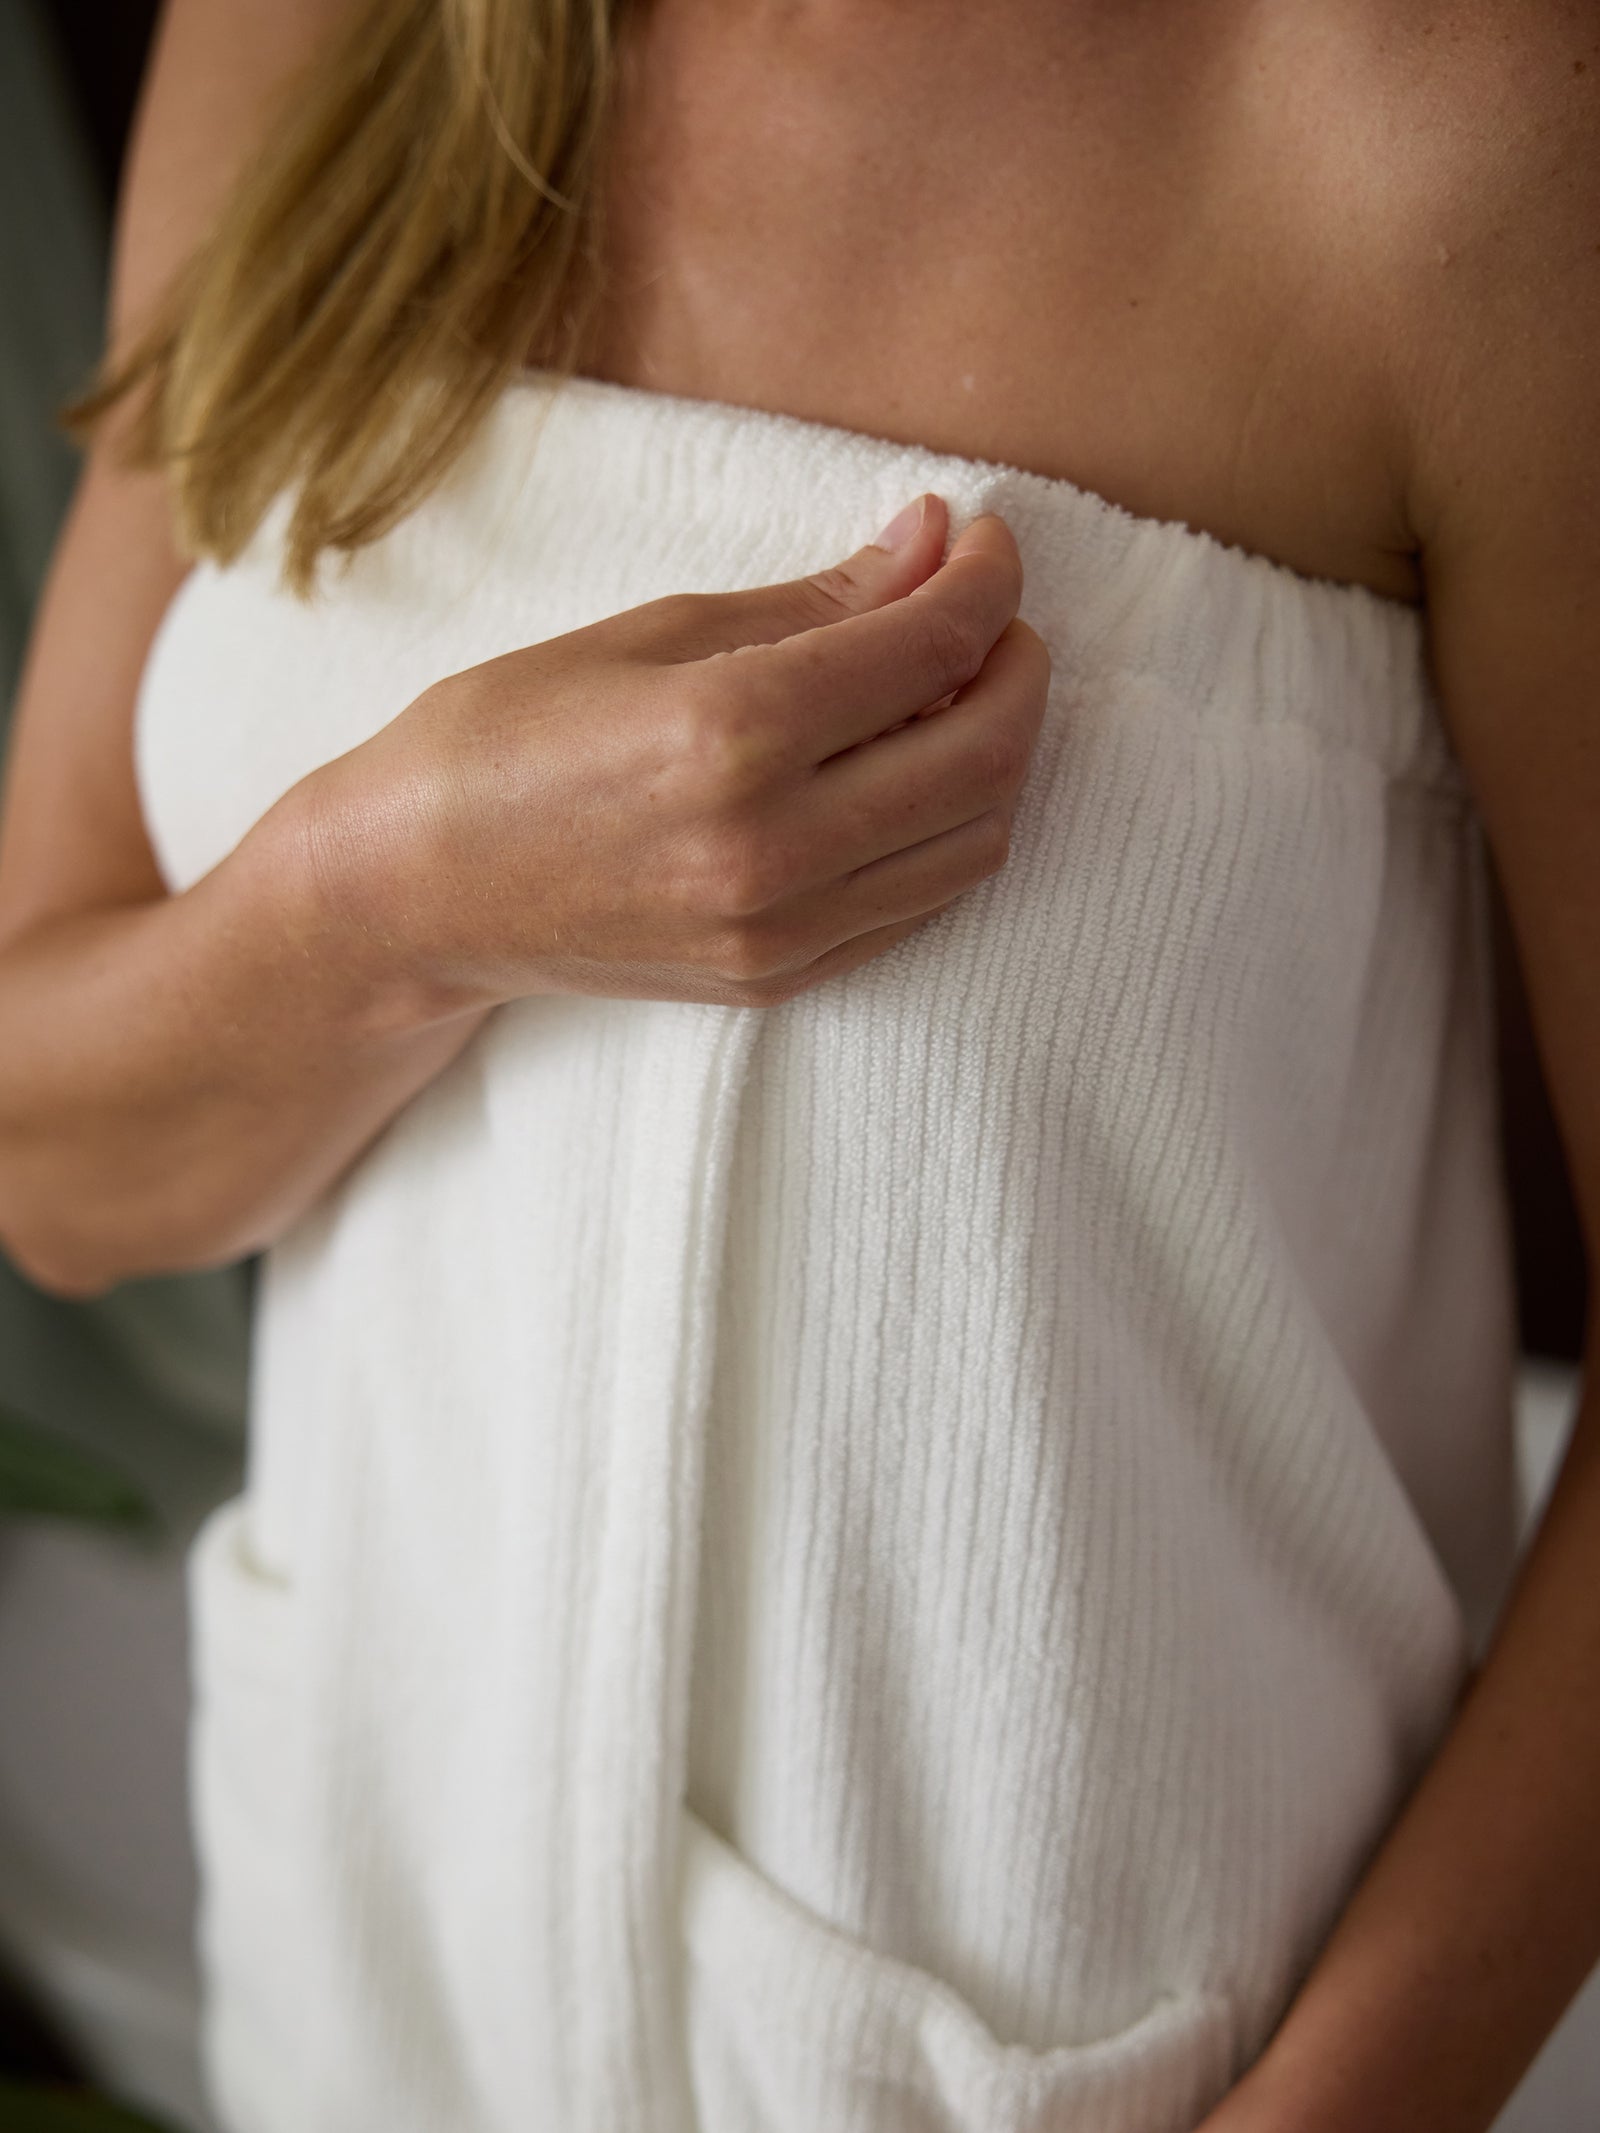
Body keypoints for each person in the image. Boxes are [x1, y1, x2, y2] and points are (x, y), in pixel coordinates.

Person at [0, 0, 1597, 2128]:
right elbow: (60, 1168)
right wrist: (389, 898)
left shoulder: (1453, 105)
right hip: (363, 2028)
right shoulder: (306, 34)